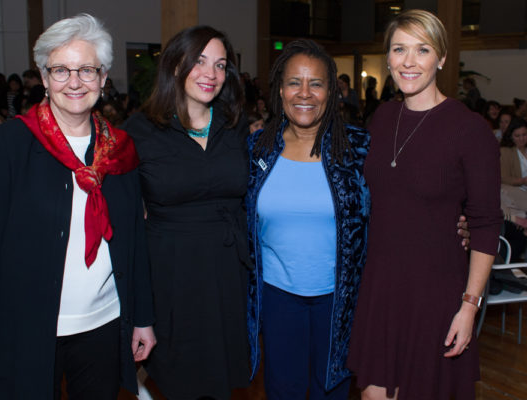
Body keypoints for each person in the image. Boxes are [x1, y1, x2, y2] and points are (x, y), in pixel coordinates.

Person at [0, 14, 155, 399]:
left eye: (87, 70)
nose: (74, 82)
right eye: (61, 70)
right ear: (44, 78)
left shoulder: (121, 150)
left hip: (104, 326)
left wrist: (142, 319)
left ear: (103, 77)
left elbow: (134, 243)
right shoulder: (8, 145)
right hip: (24, 328)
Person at [347, 9, 501, 400]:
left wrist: (469, 307)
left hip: (435, 292)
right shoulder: (381, 117)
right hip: (380, 288)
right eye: (399, 49)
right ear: (388, 58)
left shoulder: (470, 129)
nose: (409, 62)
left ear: (442, 58)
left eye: (422, 49)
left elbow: (485, 223)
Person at [122, 25, 250, 400]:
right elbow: (125, 220)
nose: (211, 74)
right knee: (179, 379)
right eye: (199, 61)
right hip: (171, 277)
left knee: (222, 379)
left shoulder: (235, 125)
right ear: (175, 65)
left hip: (228, 274)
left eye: (221, 64)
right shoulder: (139, 132)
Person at [246, 39, 370, 399]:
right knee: (282, 390)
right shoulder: (257, 149)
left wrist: (456, 221)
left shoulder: (359, 149)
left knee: (330, 391)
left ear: (331, 91)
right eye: (294, 83)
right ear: (279, 90)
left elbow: (401, 206)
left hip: (340, 300)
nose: (305, 93)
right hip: (277, 296)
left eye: (316, 83)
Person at [499, 118, 527, 261]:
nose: (522, 139)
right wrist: (522, 181)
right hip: (513, 191)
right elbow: (503, 177)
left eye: (524, 135)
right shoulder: (506, 151)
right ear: (511, 136)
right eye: (518, 136)